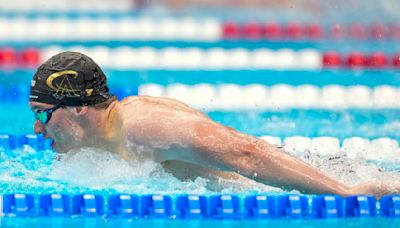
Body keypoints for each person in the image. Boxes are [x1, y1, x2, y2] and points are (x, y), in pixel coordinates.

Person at [29, 51, 399, 197]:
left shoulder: (142, 126)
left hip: (317, 179)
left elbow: (246, 152)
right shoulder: (92, 146)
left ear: (78, 108)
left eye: (43, 114)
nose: (37, 128)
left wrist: (343, 193)